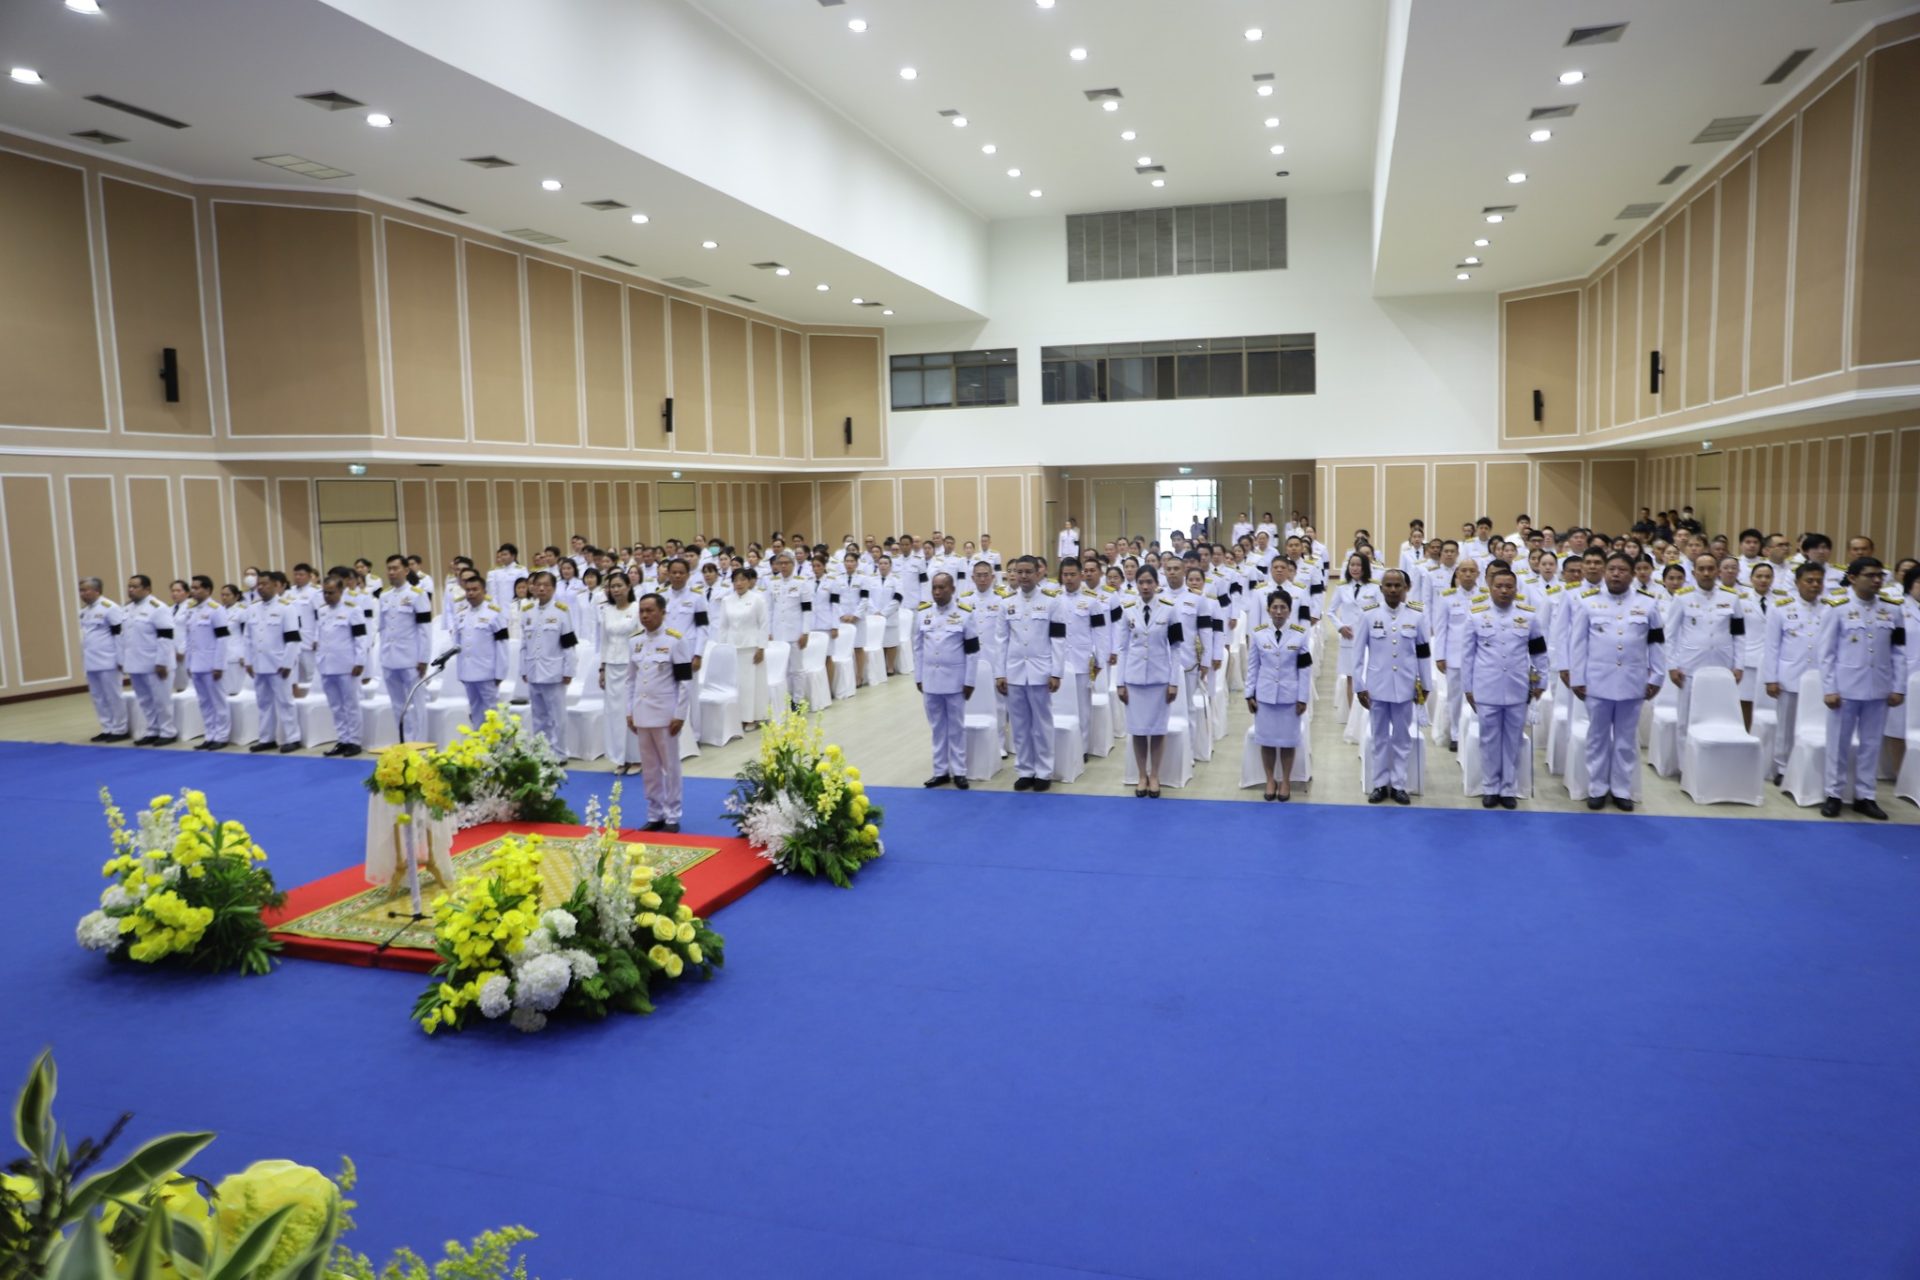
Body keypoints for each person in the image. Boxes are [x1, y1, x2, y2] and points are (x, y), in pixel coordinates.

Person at [1567, 553, 1666, 812]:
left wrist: (1657, 676)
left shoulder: (1648, 604)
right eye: (1611, 569)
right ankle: (1597, 788)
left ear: (1632, 575)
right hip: (1597, 682)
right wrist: (1577, 677)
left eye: (1622, 570)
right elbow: (1577, 644)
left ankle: (1622, 790)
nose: (1616, 574)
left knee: (1625, 740)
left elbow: (1657, 643)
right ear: (1604, 572)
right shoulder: (1587, 602)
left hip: (1633, 682)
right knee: (1597, 737)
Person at [1816, 557, 1907, 819]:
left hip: (1879, 686)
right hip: (1845, 688)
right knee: (1838, 743)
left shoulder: (1893, 609)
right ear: (1853, 578)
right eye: (1870, 575)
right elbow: (1826, 653)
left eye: (1880, 575)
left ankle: (1865, 796)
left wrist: (1898, 686)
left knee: (1871, 744)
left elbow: (1899, 651)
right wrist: (1829, 688)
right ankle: (1834, 793)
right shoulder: (1837, 608)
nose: (1877, 580)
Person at [1459, 565, 1548, 809]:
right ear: (1490, 587)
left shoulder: (1528, 617)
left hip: (1517, 688)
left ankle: (1508, 787)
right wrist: (1468, 688)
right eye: (1499, 586)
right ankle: (1490, 787)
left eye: (1509, 586)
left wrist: (1541, 680)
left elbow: (1539, 652)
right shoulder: (1476, 615)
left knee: (1512, 740)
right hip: (1486, 687)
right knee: (1489, 740)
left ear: (1516, 589)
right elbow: (1467, 656)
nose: (1504, 591)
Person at [1355, 569, 1430, 805]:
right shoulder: (1369, 615)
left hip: (1405, 687)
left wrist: (1426, 684)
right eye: (1388, 585)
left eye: (1398, 585)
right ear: (1381, 588)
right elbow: (1358, 654)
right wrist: (1359, 685)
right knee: (1378, 737)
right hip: (1377, 686)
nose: (1393, 590)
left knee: (1402, 738)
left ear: (1406, 588)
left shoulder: (1416, 616)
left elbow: (1423, 653)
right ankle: (1379, 784)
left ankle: (1398, 784)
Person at [995, 555, 1066, 791]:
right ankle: (1025, 770)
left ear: (1038, 573)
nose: (1023, 576)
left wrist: (1056, 672)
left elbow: (1058, 639)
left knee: (1042, 724)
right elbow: (1001, 641)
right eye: (1019, 572)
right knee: (1019, 724)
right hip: (1014, 672)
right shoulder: (1006, 604)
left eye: (1028, 572)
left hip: (1041, 671)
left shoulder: (1052, 602)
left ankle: (1044, 772)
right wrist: (999, 673)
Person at [626, 592, 696, 832]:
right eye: (641, 611)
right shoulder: (634, 641)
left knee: (670, 766)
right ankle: (654, 813)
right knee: (650, 768)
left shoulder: (675, 640)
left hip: (666, 714)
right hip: (641, 712)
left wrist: (680, 714)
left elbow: (685, 682)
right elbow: (630, 680)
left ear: (663, 613)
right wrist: (629, 711)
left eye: (650, 611)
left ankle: (673, 815)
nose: (645, 615)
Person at [1116, 566, 1183, 798]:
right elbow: (1122, 649)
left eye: (1149, 582)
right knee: (1137, 730)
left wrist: (1174, 682)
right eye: (1141, 582)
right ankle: (1141, 776)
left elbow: (1176, 649)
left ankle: (1154, 775)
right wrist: (1120, 682)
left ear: (1156, 583)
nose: (1145, 586)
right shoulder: (1127, 610)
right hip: (1134, 680)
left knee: (1157, 730)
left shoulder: (1169, 609)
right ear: (1136, 584)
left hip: (1159, 679)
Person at [914, 571, 981, 789]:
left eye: (942, 587)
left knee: (956, 727)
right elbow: (917, 647)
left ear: (952, 589)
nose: (937, 592)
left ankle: (959, 771)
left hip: (955, 681)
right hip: (930, 680)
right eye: (934, 587)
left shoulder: (965, 614)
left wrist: (969, 681)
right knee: (937, 727)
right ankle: (940, 771)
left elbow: (973, 651)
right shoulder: (923, 613)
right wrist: (918, 677)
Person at [1761, 562, 1826, 785]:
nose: (1814, 585)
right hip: (1790, 676)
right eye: (1809, 580)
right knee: (1786, 726)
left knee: (1815, 724)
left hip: (1819, 678)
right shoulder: (1781, 608)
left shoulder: (1829, 608)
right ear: (1797, 582)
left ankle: (1812, 767)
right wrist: (1771, 678)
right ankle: (1783, 767)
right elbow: (1772, 646)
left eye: (1819, 581)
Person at [1246, 590, 1311, 800]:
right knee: (1266, 740)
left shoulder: (1300, 634)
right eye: (1275, 607)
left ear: (1290, 611)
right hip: (1264, 696)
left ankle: (1285, 780)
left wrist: (1303, 697)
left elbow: (1305, 669)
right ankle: (1270, 779)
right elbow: (1253, 666)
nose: (1279, 611)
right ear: (1268, 610)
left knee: (1288, 741)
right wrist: (1249, 694)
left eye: (1283, 607)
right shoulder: (1258, 633)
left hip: (1289, 697)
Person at [242, 571, 302, 753]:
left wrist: (288, 663)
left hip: (279, 664)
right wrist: (248, 661)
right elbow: (247, 638)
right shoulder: (252, 608)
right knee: (263, 703)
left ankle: (293, 738)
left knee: (285, 702)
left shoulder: (286, 608)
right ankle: (267, 738)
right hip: (259, 664)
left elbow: (293, 639)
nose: (260, 587)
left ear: (276, 586)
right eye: (259, 584)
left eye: (265, 584)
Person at [518, 569, 578, 749]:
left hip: (554, 672)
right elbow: (524, 644)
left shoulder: (561, 611)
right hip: (533, 671)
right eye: (538, 585)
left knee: (557, 716)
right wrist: (523, 669)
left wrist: (569, 671)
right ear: (533, 587)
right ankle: (541, 751)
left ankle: (559, 752)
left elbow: (568, 643)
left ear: (553, 588)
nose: (542, 589)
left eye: (546, 585)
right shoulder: (527, 611)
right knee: (538, 716)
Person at [377, 555, 433, 741]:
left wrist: (423, 658)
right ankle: (405, 741)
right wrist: (382, 656)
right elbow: (382, 628)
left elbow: (425, 629)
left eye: (395, 568)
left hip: (411, 659)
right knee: (397, 705)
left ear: (406, 570)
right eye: (389, 569)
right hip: (389, 658)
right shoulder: (384, 596)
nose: (391, 572)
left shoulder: (417, 594)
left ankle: (420, 743)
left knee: (418, 704)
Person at [313, 575, 369, 758]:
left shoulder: (353, 610)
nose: (327, 596)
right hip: (327, 665)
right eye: (325, 593)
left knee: (351, 705)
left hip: (347, 665)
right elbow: (320, 636)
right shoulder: (322, 611)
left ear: (341, 591)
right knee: (335, 705)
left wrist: (360, 661)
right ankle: (343, 739)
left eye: (331, 593)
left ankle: (354, 741)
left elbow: (361, 638)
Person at [120, 575, 177, 746]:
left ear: (147, 589)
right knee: (145, 700)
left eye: (135, 587)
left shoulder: (158, 608)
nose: (130, 590)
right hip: (135, 663)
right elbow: (126, 638)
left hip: (155, 663)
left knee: (161, 700)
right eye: (129, 586)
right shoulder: (127, 609)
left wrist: (162, 662)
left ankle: (167, 732)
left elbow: (166, 637)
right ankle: (152, 730)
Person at [450, 572, 512, 730]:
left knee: (491, 710)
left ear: (484, 591)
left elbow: (502, 645)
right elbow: (457, 646)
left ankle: (496, 743)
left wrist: (500, 673)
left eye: (475, 589)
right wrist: (460, 672)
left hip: (487, 672)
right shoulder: (461, 615)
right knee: (475, 709)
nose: (471, 593)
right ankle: (478, 741)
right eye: (468, 590)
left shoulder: (494, 614)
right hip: (467, 672)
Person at [595, 572, 642, 770]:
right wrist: (602, 668)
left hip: (631, 666)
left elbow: (642, 639)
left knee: (630, 711)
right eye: (612, 586)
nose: (615, 590)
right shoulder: (607, 610)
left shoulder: (637, 608)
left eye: (619, 586)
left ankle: (636, 757)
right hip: (612, 666)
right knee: (614, 714)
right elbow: (604, 641)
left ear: (628, 587)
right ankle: (620, 758)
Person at [181, 575, 231, 751]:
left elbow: (223, 639)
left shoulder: (216, 609)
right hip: (196, 664)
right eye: (192, 588)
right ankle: (210, 735)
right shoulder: (191, 610)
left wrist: (219, 665)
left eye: (197, 588)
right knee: (204, 702)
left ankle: (222, 736)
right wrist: (188, 663)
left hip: (211, 664)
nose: (193, 591)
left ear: (208, 590)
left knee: (218, 702)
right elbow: (189, 639)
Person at [716, 567, 771, 727]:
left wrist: (761, 647)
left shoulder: (757, 599)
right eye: (736, 580)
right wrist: (722, 648)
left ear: (749, 581)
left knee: (751, 686)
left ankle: (753, 718)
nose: (739, 583)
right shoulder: (727, 601)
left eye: (742, 580)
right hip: (732, 648)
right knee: (736, 685)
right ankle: (737, 718)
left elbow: (763, 624)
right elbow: (723, 626)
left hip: (752, 648)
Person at [78, 577, 129, 743]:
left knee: (113, 696)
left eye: (86, 590)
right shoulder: (84, 612)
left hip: (108, 660)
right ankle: (107, 728)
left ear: (97, 590)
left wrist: (121, 660)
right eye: (81, 590)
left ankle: (120, 729)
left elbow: (119, 635)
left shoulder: (110, 608)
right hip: (91, 661)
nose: (82, 594)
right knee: (98, 697)